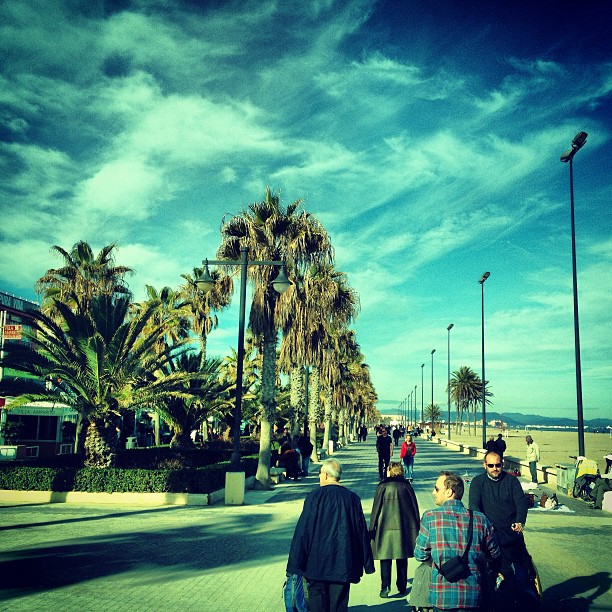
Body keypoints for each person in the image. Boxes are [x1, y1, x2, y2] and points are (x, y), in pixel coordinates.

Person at [286, 458, 375, 611]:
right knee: (339, 605)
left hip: (316, 564)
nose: (319, 476)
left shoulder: (314, 496)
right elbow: (361, 532)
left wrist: (295, 564)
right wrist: (367, 563)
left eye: (320, 473)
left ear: (326, 475)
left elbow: (303, 532)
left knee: (317, 605)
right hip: (343, 564)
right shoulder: (352, 499)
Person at [414, 471, 501, 611]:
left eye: (436, 489)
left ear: (449, 492)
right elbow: (494, 553)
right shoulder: (480, 519)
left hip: (442, 596)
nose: (433, 492)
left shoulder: (430, 518)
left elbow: (420, 554)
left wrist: (439, 564)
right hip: (472, 596)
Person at [469, 451, 535, 611]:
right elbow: (474, 506)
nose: (495, 468)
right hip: (488, 535)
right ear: (485, 465)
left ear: (502, 464)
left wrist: (520, 521)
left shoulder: (512, 481)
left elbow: (521, 503)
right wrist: (485, 526)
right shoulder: (478, 482)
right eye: (491, 465)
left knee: (521, 573)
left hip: (510, 534)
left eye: (498, 465)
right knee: (488, 572)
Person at [369, 462, 420, 598]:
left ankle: (385, 587)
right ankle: (402, 585)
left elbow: (376, 508)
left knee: (385, 557)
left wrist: (372, 528)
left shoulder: (383, 486)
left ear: (390, 471)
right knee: (402, 556)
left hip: (385, 527)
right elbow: (415, 508)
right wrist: (417, 526)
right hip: (403, 528)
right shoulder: (406, 486)